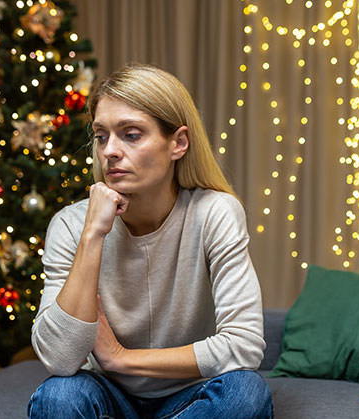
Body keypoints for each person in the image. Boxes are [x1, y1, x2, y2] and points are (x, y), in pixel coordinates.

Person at [27, 64, 273, 418]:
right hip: (108, 397)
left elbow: (244, 346)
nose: (109, 150)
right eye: (100, 135)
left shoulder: (214, 212)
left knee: (245, 393)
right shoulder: (71, 225)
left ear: (178, 143)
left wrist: (122, 358)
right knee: (58, 397)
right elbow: (59, 359)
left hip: (190, 395)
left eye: (131, 134)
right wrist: (93, 235)